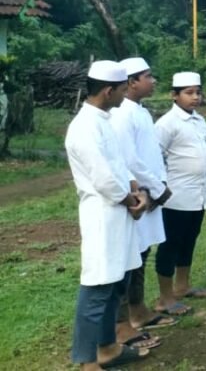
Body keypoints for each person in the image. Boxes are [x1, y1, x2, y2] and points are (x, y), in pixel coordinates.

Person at [67, 60, 150, 369]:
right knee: (97, 288)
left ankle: (108, 347)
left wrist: (135, 189)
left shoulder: (105, 120)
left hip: (121, 213)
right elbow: (103, 179)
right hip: (103, 216)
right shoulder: (84, 128)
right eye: (123, 89)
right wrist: (132, 201)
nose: (125, 94)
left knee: (117, 284)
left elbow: (118, 165)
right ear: (108, 91)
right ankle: (87, 361)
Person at [109, 57, 176, 349]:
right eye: (148, 76)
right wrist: (156, 187)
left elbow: (149, 154)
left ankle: (138, 310)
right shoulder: (122, 114)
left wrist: (158, 185)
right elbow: (130, 160)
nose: (153, 80)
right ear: (131, 82)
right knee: (130, 257)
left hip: (150, 192)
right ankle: (123, 322)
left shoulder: (141, 111)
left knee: (142, 252)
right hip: (137, 194)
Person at [154, 72, 206, 310]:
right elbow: (155, 156)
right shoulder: (166, 124)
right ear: (174, 95)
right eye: (189, 93)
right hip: (176, 195)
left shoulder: (199, 121)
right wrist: (161, 186)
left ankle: (182, 286)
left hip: (198, 194)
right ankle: (165, 297)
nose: (195, 97)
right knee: (171, 244)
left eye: (198, 92)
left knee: (189, 240)